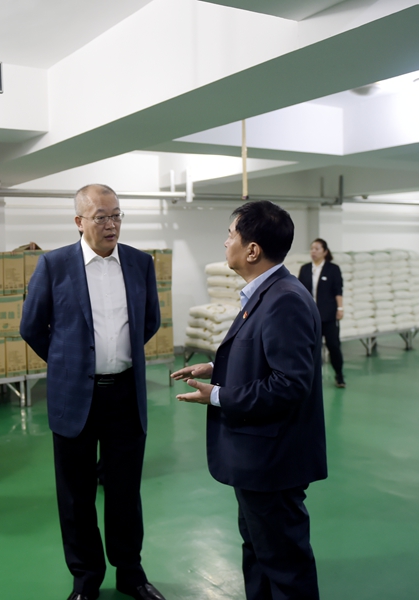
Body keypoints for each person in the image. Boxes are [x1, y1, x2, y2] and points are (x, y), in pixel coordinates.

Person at [171, 201, 327, 600]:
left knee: (284, 565)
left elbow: (289, 384)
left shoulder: (284, 299)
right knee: (259, 553)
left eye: (231, 236)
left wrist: (218, 395)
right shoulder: (266, 293)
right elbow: (264, 356)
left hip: (273, 461)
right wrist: (216, 367)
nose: (226, 243)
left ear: (253, 250)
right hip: (260, 460)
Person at [21, 184, 163, 600]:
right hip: (74, 397)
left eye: (116, 215)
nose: (111, 224)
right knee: (75, 495)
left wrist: (115, 355)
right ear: (79, 221)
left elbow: (149, 321)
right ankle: (85, 578)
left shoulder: (139, 263)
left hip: (125, 395)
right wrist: (70, 363)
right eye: (101, 217)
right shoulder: (54, 265)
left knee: (125, 491)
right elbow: (32, 326)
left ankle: (131, 573)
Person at [298, 239, 345, 388]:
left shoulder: (333, 269)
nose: (313, 251)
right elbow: (299, 291)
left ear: (325, 252)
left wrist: (340, 309)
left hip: (328, 316)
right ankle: (311, 378)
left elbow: (338, 290)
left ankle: (339, 375)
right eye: (312, 248)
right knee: (310, 348)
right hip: (309, 317)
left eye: (317, 249)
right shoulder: (305, 269)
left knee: (333, 346)